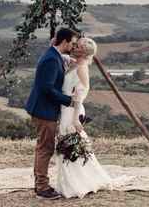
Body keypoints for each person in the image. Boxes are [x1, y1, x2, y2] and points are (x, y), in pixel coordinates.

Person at [24, 28, 83, 200]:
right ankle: (42, 187)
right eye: (72, 43)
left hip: (45, 108)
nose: (73, 46)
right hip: (44, 110)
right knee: (45, 148)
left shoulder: (54, 54)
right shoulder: (51, 59)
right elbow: (47, 89)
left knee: (43, 147)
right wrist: (69, 101)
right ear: (64, 41)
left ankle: (39, 183)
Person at [53, 36, 113, 198]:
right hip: (66, 108)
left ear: (83, 52)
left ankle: (76, 184)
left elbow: (81, 93)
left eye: (77, 46)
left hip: (73, 110)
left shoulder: (82, 68)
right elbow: (62, 57)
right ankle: (70, 181)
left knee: (70, 145)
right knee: (67, 144)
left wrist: (74, 119)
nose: (74, 46)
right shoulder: (76, 63)